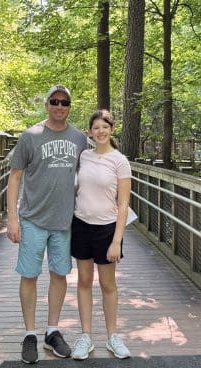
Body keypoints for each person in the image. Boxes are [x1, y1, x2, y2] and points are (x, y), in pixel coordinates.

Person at [6, 84, 90, 364]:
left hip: (64, 222)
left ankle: (52, 331)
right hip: (32, 219)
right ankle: (30, 333)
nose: (59, 106)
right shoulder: (30, 137)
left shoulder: (79, 138)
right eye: (54, 101)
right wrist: (12, 219)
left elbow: (90, 172)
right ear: (46, 105)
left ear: (69, 107)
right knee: (29, 275)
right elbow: (15, 177)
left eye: (64, 102)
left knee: (59, 274)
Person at [70, 109, 132, 360]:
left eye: (104, 127)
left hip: (107, 229)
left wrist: (117, 240)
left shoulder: (119, 160)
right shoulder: (83, 156)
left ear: (111, 130)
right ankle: (86, 336)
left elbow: (124, 204)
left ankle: (112, 337)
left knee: (108, 284)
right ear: (90, 132)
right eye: (96, 128)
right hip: (81, 225)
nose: (100, 131)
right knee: (84, 282)